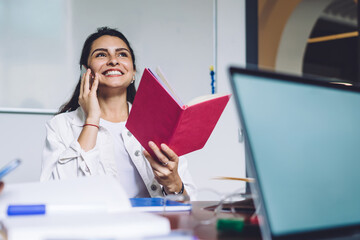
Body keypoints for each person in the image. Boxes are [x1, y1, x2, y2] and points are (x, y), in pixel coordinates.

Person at [41, 27, 196, 199]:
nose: (114, 61)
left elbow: (189, 205)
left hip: (153, 223)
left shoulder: (159, 124)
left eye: (122, 54)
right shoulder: (60, 126)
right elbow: (55, 195)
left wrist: (174, 184)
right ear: (86, 71)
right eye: (101, 54)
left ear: (133, 73)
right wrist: (91, 119)